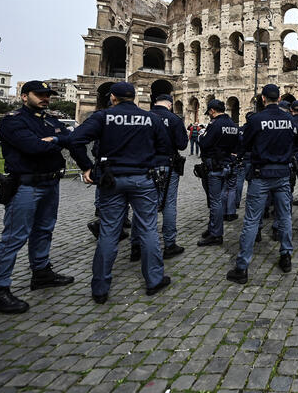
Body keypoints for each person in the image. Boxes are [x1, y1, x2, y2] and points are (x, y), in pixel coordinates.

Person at [57, 82, 172, 304]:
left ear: (113, 98)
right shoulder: (152, 118)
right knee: (148, 229)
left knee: (109, 231)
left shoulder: (103, 117)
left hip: (111, 178)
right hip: (142, 177)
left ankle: (100, 287)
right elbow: (165, 149)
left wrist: (87, 166)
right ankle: (154, 280)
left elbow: (74, 140)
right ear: (135, 98)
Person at [0, 81, 80, 314]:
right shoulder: (13, 120)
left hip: (50, 182)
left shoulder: (49, 119)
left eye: (47, 95)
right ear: (23, 96)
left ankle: (41, 273)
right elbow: (32, 147)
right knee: (14, 237)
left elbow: (71, 140)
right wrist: (56, 141)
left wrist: (55, 140)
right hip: (25, 185)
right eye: (39, 94)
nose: (45, 98)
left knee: (45, 229)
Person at [226, 84, 295, 284]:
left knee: (251, 221)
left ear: (263, 98)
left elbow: (244, 145)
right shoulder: (290, 120)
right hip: (282, 173)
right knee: (284, 217)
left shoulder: (256, 120)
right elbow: (295, 143)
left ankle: (242, 267)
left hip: (260, 174)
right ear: (279, 97)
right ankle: (286, 256)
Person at [195, 99, 240, 246]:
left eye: (209, 112)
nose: (208, 115)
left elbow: (204, 143)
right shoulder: (233, 124)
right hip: (228, 165)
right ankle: (212, 227)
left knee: (215, 201)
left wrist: (201, 136)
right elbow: (238, 145)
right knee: (219, 199)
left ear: (212, 110)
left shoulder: (215, 125)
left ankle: (216, 234)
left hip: (215, 166)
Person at [149, 94, 188, 259]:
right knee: (169, 205)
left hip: (147, 165)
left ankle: (136, 245)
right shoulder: (174, 119)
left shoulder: (145, 117)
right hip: (167, 164)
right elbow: (182, 144)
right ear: (170, 105)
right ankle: (169, 244)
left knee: (144, 205)